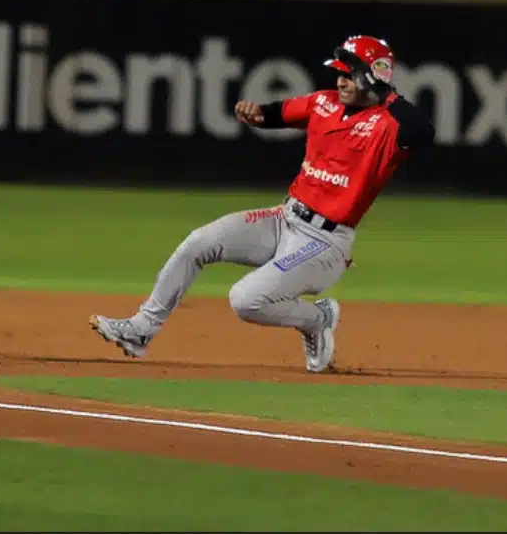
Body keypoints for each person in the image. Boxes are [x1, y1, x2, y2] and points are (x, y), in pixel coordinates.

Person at [90, 35, 435, 373]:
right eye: (341, 72)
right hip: (284, 218)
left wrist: (383, 90)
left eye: (350, 73)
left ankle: (318, 319)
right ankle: (141, 329)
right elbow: (279, 114)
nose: (341, 79)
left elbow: (424, 131)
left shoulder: (388, 125)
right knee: (198, 242)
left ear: (370, 76)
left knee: (245, 300)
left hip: (325, 242)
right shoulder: (324, 103)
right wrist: (257, 114)